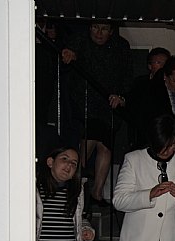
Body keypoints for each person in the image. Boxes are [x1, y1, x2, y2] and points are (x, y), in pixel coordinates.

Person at [61, 21, 132, 206]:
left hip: (110, 104)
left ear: (111, 31)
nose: (99, 33)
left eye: (104, 29)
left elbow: (127, 75)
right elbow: (67, 58)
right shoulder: (80, 39)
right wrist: (68, 54)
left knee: (105, 146)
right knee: (88, 141)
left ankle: (97, 193)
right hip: (85, 102)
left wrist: (122, 97)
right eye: (95, 27)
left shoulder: (121, 46)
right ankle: (73, 187)